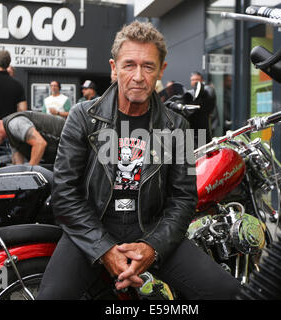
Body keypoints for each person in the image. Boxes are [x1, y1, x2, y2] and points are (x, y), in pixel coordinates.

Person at [37, 20, 241, 300]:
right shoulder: (84, 116)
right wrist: (104, 249)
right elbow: (64, 193)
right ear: (113, 68)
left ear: (161, 70)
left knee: (227, 292)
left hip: (151, 228)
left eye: (148, 66)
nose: (138, 76)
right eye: (129, 65)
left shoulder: (177, 126)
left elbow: (183, 200)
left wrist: (151, 248)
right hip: (91, 227)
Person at [0, 111, 65, 166]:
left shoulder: (14, 124)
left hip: (71, 141)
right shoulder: (11, 136)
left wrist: (30, 172)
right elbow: (18, 164)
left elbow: (40, 143)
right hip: (63, 152)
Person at [188, 71, 218, 144]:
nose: (195, 81)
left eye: (197, 79)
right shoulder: (189, 93)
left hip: (206, 124)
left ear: (202, 81)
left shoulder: (208, 90)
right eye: (193, 80)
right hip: (193, 127)